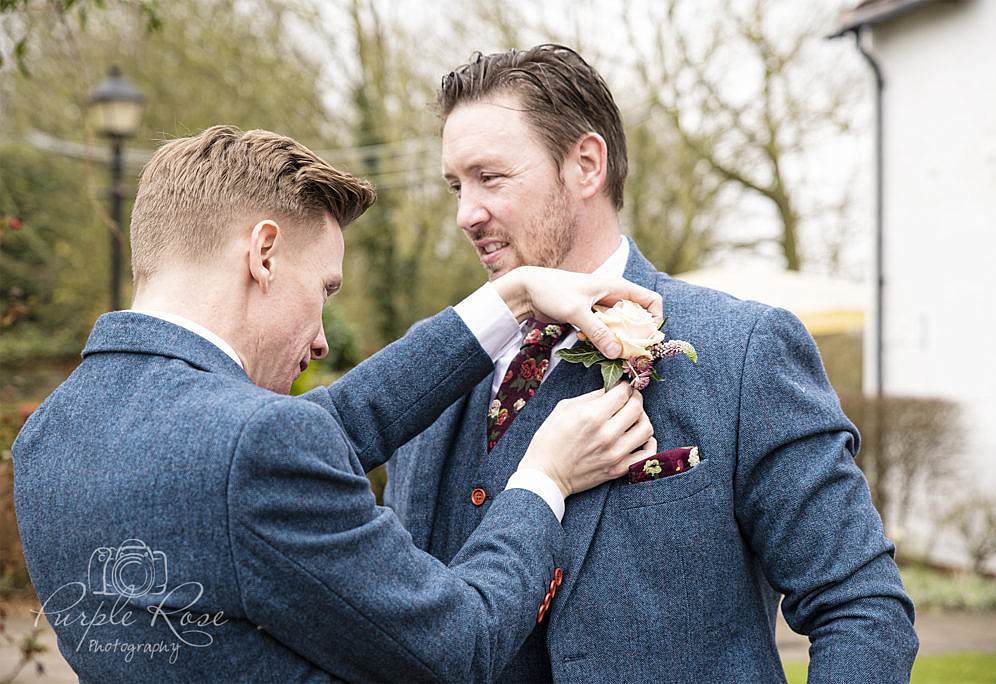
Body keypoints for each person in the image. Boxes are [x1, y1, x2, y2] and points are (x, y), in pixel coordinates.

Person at [12, 125, 663, 682]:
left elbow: (338, 424)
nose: (323, 338)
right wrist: (545, 479)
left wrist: (513, 296)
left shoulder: (50, 439)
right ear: (263, 254)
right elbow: (460, 647)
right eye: (323, 289)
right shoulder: (252, 449)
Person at [385, 44, 919, 682]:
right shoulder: (429, 369)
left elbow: (861, 606)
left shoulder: (742, 350)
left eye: (490, 177)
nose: (465, 213)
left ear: (585, 165)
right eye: (455, 185)